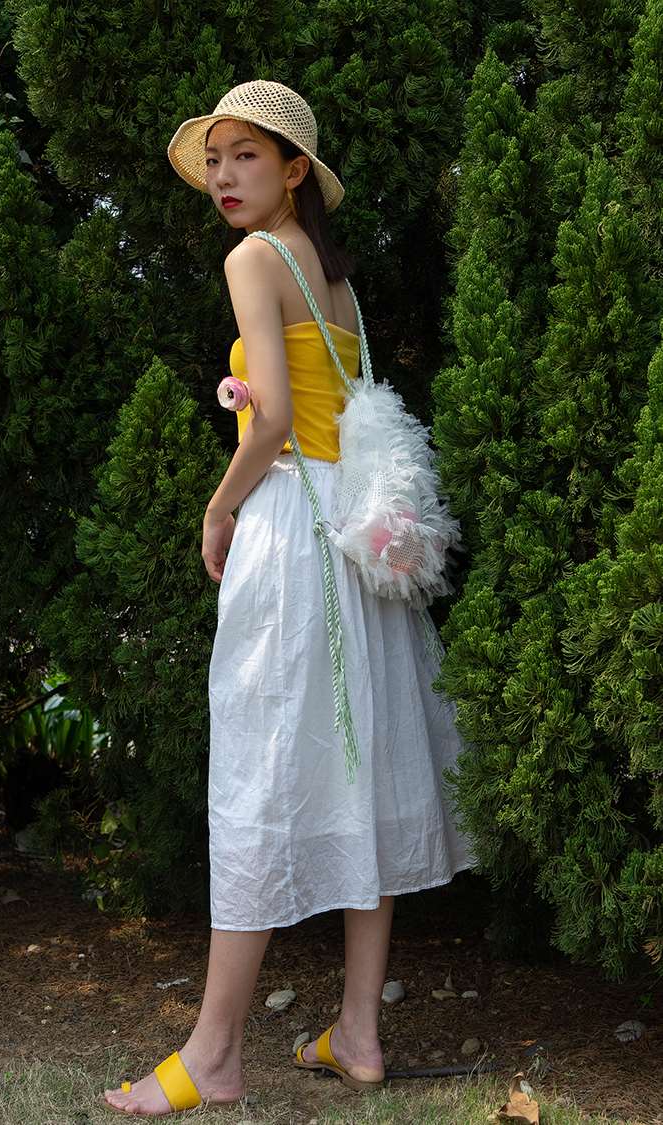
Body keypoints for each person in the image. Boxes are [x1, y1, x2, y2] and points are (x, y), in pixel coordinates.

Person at [103, 79, 473, 1118]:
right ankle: (358, 1033)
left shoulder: (254, 260)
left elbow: (268, 425)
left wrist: (218, 507)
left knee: (261, 771)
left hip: (292, 536)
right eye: (215, 159)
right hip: (355, 542)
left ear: (295, 168)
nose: (223, 176)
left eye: (246, 156)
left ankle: (214, 1053)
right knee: (365, 770)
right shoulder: (333, 278)